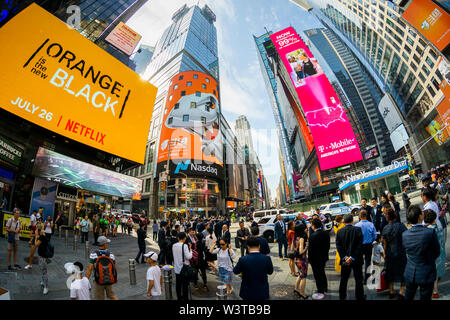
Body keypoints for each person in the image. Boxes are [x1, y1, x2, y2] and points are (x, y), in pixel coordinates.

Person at [402, 205, 440, 300]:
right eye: (421, 212)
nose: (423, 213)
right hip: (426, 272)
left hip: (410, 271)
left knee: (408, 296)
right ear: (420, 216)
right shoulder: (429, 232)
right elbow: (436, 252)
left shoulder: (405, 234)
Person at [336, 214, 365, 300]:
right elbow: (359, 245)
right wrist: (352, 257)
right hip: (356, 259)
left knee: (344, 279)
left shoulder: (340, 231)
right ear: (352, 220)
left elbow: (339, 246)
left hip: (345, 260)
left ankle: (342, 296)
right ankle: (359, 296)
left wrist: (345, 257)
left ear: (343, 221)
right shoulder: (358, 230)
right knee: (358, 279)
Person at [382, 207, 407, 299]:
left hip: (390, 253)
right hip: (400, 251)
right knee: (403, 271)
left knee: (390, 272)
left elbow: (385, 243)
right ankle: (402, 291)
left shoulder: (385, 228)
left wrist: (384, 254)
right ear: (395, 216)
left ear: (387, 218)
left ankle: (391, 291)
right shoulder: (401, 226)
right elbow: (406, 239)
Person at [85, 236, 119, 300]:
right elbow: (114, 268)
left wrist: (85, 281)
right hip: (109, 279)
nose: (107, 244)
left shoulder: (93, 254)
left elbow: (89, 268)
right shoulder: (111, 254)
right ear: (104, 244)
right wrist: (115, 278)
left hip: (98, 280)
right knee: (112, 296)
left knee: (99, 298)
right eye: (107, 243)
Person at [423, 209, 446, 299]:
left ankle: (432, 290)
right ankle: (435, 291)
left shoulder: (428, 230)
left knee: (430, 273)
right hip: (438, 253)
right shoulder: (438, 226)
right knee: (435, 273)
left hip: (430, 255)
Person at [308, 219, 330, 299]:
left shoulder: (312, 236)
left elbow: (310, 251)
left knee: (317, 275)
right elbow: (328, 247)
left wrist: (309, 260)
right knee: (322, 272)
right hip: (323, 257)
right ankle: (325, 287)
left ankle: (320, 290)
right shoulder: (326, 233)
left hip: (315, 259)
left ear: (313, 226)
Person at [355, 209, 377, 284]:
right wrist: (371, 240)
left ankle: (360, 278)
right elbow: (375, 235)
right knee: (368, 261)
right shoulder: (371, 224)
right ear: (366, 215)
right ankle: (366, 278)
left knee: (360, 262)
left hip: (359, 245)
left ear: (360, 216)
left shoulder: (357, 225)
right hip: (368, 245)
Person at [172, 232, 193, 300]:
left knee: (178, 284)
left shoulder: (174, 245)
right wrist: (191, 250)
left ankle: (179, 297)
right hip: (184, 269)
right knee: (185, 285)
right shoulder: (184, 246)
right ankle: (185, 298)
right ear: (184, 238)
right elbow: (189, 257)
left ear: (178, 238)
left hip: (177, 268)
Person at [293, 223, 309, 299]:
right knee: (303, 277)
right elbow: (301, 251)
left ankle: (296, 289)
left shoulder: (295, 238)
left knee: (300, 274)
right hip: (302, 260)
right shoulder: (301, 239)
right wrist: (306, 246)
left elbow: (293, 248)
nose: (306, 229)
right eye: (304, 228)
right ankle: (302, 293)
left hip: (296, 259)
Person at [35, 227, 51, 295]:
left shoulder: (41, 237)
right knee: (43, 270)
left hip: (42, 257)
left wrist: (36, 236)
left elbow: (36, 244)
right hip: (43, 256)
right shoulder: (44, 236)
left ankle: (46, 287)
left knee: (44, 271)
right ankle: (43, 282)